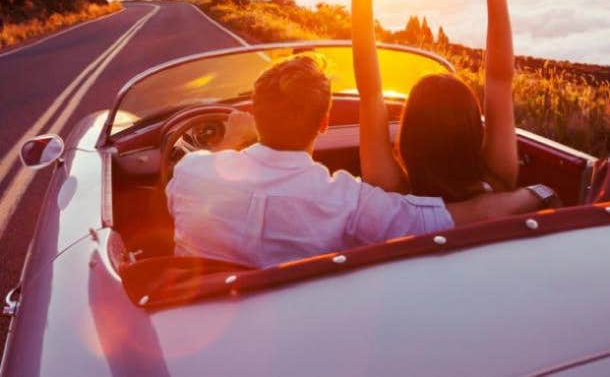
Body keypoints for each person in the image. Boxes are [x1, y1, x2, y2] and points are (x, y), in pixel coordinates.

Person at [167, 53, 551, 269]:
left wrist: (232, 140)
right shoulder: (348, 202)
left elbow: (204, 175)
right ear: (325, 123)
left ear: (256, 114)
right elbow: (455, 218)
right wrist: (534, 192)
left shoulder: (189, 173)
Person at [339, 0, 559, 207]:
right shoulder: (499, 181)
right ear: (473, 131)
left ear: (409, 138)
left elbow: (370, 93)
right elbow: (499, 81)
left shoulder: (395, 195)